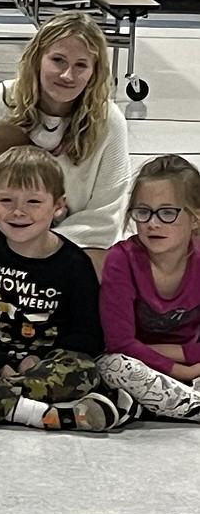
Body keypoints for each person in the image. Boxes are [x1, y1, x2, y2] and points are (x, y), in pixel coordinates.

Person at [0, 147, 128, 431]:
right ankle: (36, 414)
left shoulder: (75, 263)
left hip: (44, 367)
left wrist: (35, 362)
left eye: (33, 202)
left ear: (58, 206)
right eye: (6, 200)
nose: (18, 212)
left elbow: (87, 334)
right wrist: (1, 365)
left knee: (84, 371)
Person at [0, 11, 129, 275]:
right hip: (2, 238)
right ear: (38, 59)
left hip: (66, 246)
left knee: (102, 268)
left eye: (81, 65)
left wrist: (45, 252)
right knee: (3, 136)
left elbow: (106, 211)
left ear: (94, 72)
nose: (67, 75)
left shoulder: (109, 120)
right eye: (58, 60)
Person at [96, 155, 200, 422]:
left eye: (167, 212)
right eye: (143, 212)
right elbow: (119, 343)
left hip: (184, 361)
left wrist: (186, 355)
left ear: (195, 218)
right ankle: (189, 403)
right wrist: (183, 370)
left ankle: (144, 406)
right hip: (140, 365)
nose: (153, 223)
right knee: (113, 366)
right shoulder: (122, 259)